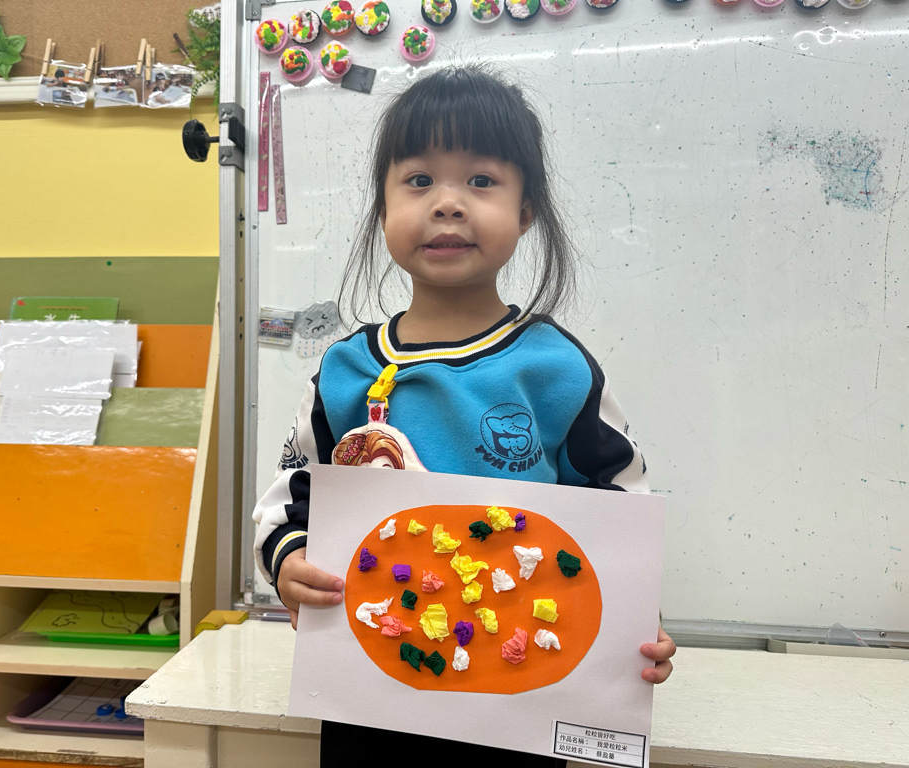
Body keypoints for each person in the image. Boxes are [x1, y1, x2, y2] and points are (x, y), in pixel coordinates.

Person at [252, 65, 676, 765]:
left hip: (523, 699)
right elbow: (288, 503)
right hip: (375, 695)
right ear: (383, 207)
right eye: (419, 180)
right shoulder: (344, 371)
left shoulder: (558, 369)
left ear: (526, 210)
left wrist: (635, 618)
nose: (448, 204)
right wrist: (291, 560)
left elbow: (622, 508)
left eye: (481, 180)